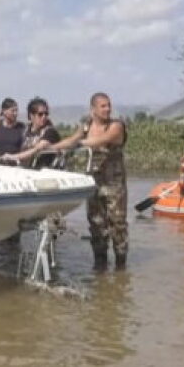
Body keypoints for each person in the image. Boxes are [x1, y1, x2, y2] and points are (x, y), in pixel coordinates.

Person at [50, 92, 128, 270]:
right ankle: (99, 267)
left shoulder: (116, 126)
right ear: (93, 109)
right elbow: (72, 140)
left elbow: (101, 140)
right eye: (103, 106)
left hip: (114, 184)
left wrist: (79, 144)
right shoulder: (86, 124)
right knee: (96, 224)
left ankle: (121, 268)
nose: (107, 109)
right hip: (93, 183)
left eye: (109, 105)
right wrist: (51, 147)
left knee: (118, 224)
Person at [0, 97, 61, 168]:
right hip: (26, 172)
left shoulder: (50, 132)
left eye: (46, 114)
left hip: (46, 173)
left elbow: (36, 150)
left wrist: (12, 157)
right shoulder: (26, 131)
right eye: (40, 114)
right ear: (31, 115)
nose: (44, 117)